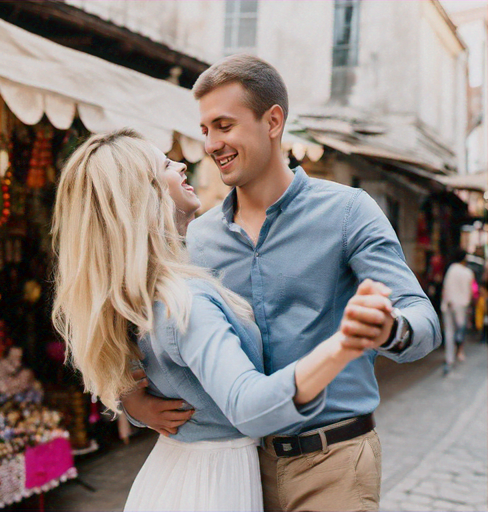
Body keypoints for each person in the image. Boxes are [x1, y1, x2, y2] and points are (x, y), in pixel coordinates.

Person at [123, 54, 441, 511]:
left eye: (224, 125)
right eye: (205, 130)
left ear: (272, 121)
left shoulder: (349, 211)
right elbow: (142, 323)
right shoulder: (200, 237)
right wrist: (134, 400)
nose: (212, 144)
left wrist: (388, 328)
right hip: (239, 469)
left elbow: (422, 317)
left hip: (333, 462)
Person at [51, 129, 394, 511]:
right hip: (211, 484)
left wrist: (136, 404)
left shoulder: (140, 289)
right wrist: (344, 344)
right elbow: (248, 407)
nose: (183, 163)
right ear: (144, 196)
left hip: (180, 470)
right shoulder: (187, 300)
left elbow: (127, 363)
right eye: (165, 164)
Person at [441, 248, 475, 374]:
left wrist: (446, 301)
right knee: (460, 330)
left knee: (449, 332)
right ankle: (459, 352)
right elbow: (470, 291)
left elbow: (446, 287)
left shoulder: (451, 269)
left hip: (449, 304)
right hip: (461, 305)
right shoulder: (468, 272)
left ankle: (449, 359)